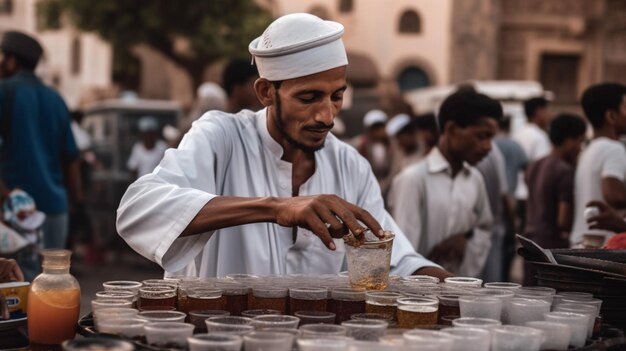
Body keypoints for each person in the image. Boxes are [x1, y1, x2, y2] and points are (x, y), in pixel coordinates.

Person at [116, 13, 449, 279]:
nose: (326, 116)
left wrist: (453, 287)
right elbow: (137, 211)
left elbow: (395, 260)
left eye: (337, 96)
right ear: (265, 92)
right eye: (308, 98)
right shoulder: (221, 137)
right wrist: (276, 208)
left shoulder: (350, 164)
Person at [389, 90, 501, 276]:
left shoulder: (475, 179)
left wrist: (466, 239)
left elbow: (484, 227)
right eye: (481, 136)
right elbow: (403, 253)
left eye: (491, 138)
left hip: (461, 293)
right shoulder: (413, 179)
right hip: (420, 298)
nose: (488, 147)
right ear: (451, 129)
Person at [0, 31, 81, 250]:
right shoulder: (56, 98)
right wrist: (73, 203)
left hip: (15, 210)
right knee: (52, 279)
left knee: (15, 280)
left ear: (11, 60)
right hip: (56, 209)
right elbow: (71, 157)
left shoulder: (4, 92)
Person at [524, 113, 586, 284]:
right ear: (568, 140)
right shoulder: (564, 170)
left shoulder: (536, 164)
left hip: (531, 243)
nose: (580, 148)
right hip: (552, 246)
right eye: (579, 141)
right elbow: (563, 221)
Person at [571, 83, 626, 246]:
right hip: (603, 248)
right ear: (611, 116)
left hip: (583, 242)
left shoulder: (588, 149)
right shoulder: (613, 148)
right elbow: (615, 196)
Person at [513, 97, 552, 234]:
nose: (549, 115)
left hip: (517, 193)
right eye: (546, 111)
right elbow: (542, 169)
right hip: (532, 195)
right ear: (538, 112)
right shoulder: (539, 136)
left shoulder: (518, 133)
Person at [476, 143, 509, 283]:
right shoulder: (495, 151)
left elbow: (503, 195)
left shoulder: (488, 152)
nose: (487, 146)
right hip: (491, 232)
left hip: (488, 232)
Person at [353, 109, 392, 184]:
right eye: (375, 128)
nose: (378, 131)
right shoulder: (360, 145)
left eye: (380, 127)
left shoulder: (392, 145)